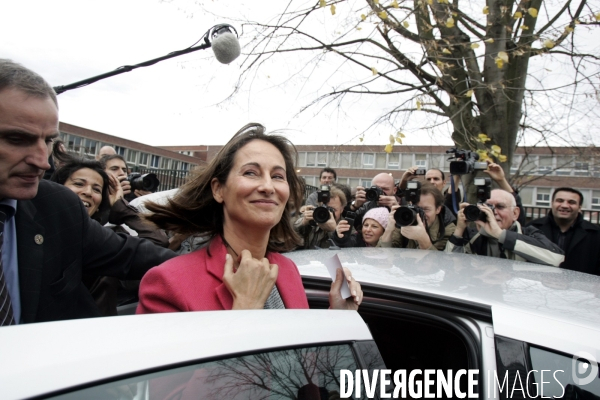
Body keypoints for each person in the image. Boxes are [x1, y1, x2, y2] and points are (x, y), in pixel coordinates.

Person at [0, 58, 174, 325]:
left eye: (48, 140)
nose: (42, 160)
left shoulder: (56, 207)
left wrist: (216, 268)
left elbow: (134, 256)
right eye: (16, 139)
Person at [136, 123, 362, 314]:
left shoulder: (288, 269)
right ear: (218, 190)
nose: (267, 186)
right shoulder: (168, 283)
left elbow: (296, 363)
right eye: (250, 173)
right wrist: (246, 310)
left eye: (277, 176)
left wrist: (339, 315)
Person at [445, 189, 564, 266]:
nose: (493, 212)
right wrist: (459, 230)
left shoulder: (528, 233)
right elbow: (448, 265)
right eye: (488, 207)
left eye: (500, 207)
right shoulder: (474, 236)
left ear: (515, 213)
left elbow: (556, 259)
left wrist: (500, 234)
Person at [528, 188, 600, 276]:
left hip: (579, 288)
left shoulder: (595, 234)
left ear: (579, 207)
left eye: (571, 202)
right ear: (552, 204)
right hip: (538, 286)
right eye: (560, 200)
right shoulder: (532, 228)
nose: (565, 205)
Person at [378, 184, 456, 250]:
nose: (419, 214)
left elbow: (439, 262)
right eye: (416, 208)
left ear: (438, 209)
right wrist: (389, 230)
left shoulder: (447, 228)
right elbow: (385, 253)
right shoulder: (404, 220)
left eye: (425, 209)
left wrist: (422, 239)